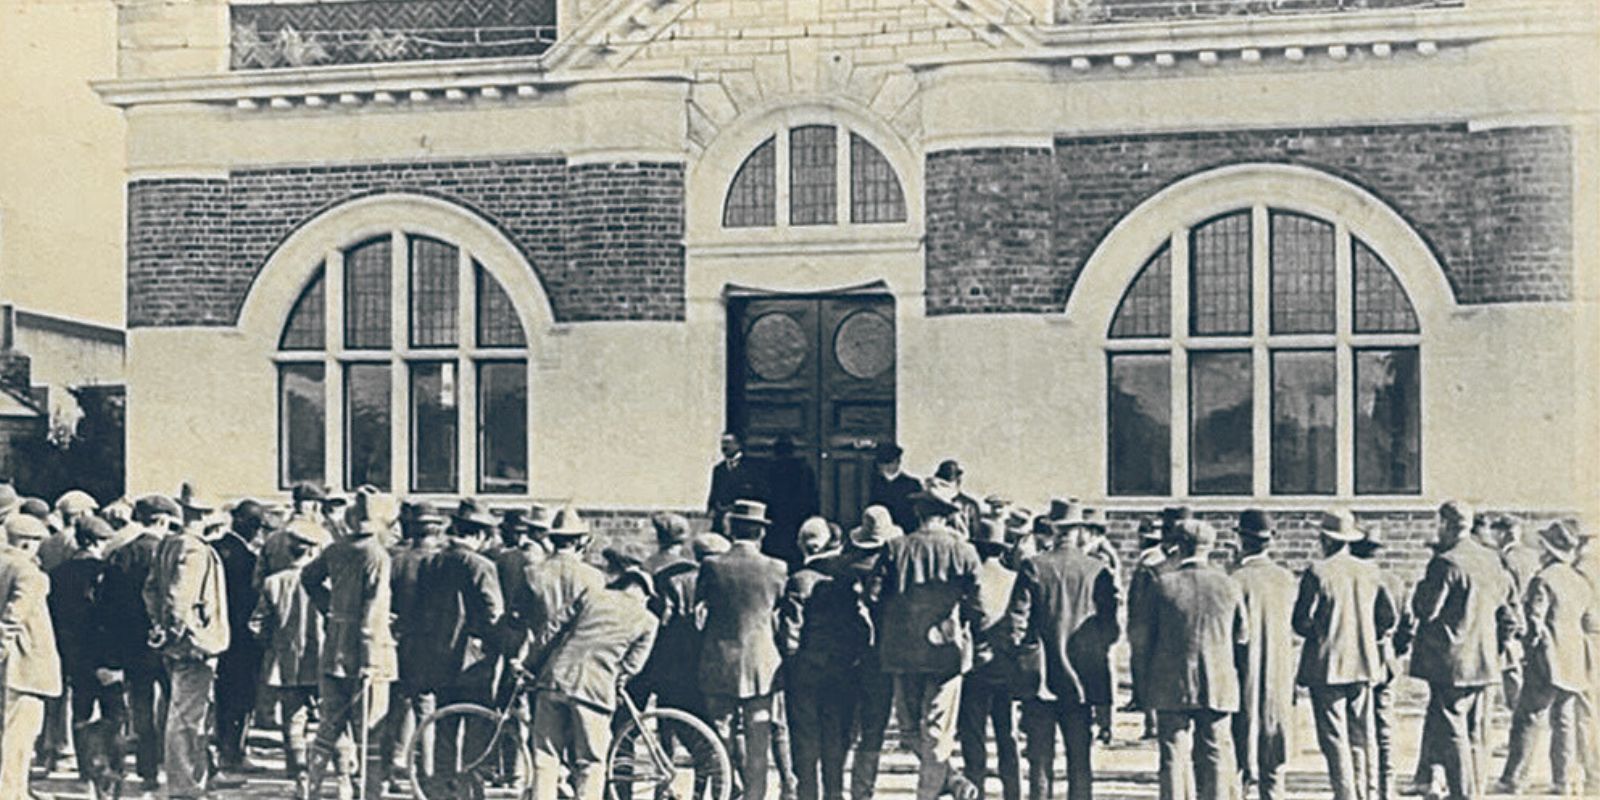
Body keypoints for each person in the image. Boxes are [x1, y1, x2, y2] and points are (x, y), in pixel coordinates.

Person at [871, 483, 982, 800]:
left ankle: (933, 789)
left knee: (909, 730)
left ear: (917, 513)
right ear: (947, 517)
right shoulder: (963, 551)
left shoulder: (895, 548)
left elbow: (874, 596)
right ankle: (951, 782)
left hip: (901, 651)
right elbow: (979, 606)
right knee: (936, 731)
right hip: (945, 651)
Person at [526, 557, 659, 800]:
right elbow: (633, 665)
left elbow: (552, 629)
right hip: (595, 691)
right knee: (591, 761)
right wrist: (618, 680)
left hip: (555, 678)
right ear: (645, 594)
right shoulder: (648, 620)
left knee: (546, 756)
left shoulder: (592, 596)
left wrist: (529, 665)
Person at [1008, 509, 1118, 800]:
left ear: (1054, 530)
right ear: (1080, 531)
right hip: (1083, 679)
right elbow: (1111, 629)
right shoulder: (1098, 570)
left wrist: (1024, 655)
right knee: (1080, 760)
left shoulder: (1034, 566)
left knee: (1040, 761)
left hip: (1041, 678)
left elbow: (1016, 623)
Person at [1409, 500, 1515, 800]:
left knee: (1452, 731)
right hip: (1483, 661)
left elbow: (1426, 610)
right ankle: (1476, 791)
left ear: (1444, 523)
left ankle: (1463, 794)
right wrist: (1496, 650)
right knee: (1477, 733)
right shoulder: (1492, 560)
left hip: (1450, 664)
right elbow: (1508, 614)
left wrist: (1420, 588)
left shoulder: (1445, 562)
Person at [1133, 519, 1245, 800]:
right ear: (1210, 547)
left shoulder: (1162, 586)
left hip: (1170, 681)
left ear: (1178, 547)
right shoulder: (1229, 585)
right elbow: (1243, 636)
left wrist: (1144, 685)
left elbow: (1142, 641)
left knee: (1173, 754)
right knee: (1216, 752)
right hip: (1218, 681)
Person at [298, 491, 399, 800]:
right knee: (370, 732)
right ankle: (369, 794)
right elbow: (372, 612)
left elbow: (308, 577)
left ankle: (310, 787)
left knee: (329, 726)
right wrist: (370, 659)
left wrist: (331, 610)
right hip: (368, 653)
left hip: (335, 647)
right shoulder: (377, 556)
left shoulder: (336, 550)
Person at [1292, 510, 1396, 800]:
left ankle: (1346, 794)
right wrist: (1365, 635)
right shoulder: (1371, 571)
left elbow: (1300, 621)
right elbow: (1388, 618)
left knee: (1334, 738)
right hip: (1363, 664)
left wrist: (1323, 632)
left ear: (1324, 539)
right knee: (1363, 735)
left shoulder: (1317, 571)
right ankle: (1368, 793)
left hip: (1326, 666)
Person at [1492, 521, 1597, 795]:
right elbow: (1587, 619)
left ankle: (1514, 779)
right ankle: (1563, 781)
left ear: (1549, 550)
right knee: (1564, 721)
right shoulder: (1579, 581)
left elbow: (1535, 624)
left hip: (1546, 658)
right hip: (1573, 658)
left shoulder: (1543, 579)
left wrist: (1528, 648)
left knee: (1527, 718)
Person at [697, 499, 789, 800]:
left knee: (719, 737)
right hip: (761, 663)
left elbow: (700, 612)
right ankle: (755, 796)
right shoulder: (777, 569)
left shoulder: (712, 566)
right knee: (758, 740)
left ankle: (724, 792)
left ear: (730, 527)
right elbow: (777, 612)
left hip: (719, 659)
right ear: (761, 533)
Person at [412, 499, 506, 781]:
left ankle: (442, 786)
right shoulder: (482, 565)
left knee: (445, 724)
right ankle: (469, 786)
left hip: (437, 656)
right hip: (473, 661)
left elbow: (420, 608)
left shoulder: (431, 561)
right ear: (479, 534)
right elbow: (493, 614)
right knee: (476, 725)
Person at [143, 509, 232, 799]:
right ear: (207, 514)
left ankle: (192, 781)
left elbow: (151, 589)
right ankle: (185, 788)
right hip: (195, 646)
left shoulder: (169, 542)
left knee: (180, 713)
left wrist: (159, 625)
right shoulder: (193, 548)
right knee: (186, 719)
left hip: (180, 643)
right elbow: (178, 597)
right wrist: (181, 631)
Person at [778, 516, 866, 800]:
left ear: (803, 546)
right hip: (842, 669)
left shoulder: (799, 580)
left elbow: (790, 633)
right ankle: (835, 793)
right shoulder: (847, 578)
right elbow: (859, 627)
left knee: (805, 739)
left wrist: (792, 664)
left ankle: (807, 794)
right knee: (836, 736)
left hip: (806, 670)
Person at [104, 494, 179, 791]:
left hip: (132, 645)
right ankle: (176, 765)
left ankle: (147, 771)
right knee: (176, 704)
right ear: (163, 521)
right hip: (165, 640)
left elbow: (108, 605)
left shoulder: (120, 554)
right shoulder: (168, 553)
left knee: (141, 708)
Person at [46, 516, 128, 789]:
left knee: (80, 712)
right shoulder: (109, 573)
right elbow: (112, 621)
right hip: (105, 657)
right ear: (97, 542)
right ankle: (113, 771)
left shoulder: (57, 574)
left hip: (72, 656)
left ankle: (85, 771)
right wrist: (112, 661)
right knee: (114, 715)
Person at [249, 518, 325, 788]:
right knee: (330, 721)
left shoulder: (273, 582)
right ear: (314, 551)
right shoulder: (327, 582)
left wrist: (272, 643)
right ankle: (332, 776)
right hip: (322, 660)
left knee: (293, 721)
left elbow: (257, 624)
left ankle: (298, 776)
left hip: (285, 661)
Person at [378, 502, 448, 792]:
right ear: (437, 529)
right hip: (432, 645)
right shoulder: (445, 562)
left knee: (394, 708)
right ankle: (425, 775)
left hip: (399, 640)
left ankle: (387, 773)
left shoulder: (395, 559)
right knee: (427, 710)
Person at [1228, 510, 1297, 800]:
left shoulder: (1235, 579)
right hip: (1279, 672)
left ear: (1241, 541)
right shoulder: (1286, 579)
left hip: (1243, 670)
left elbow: (1234, 634)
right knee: (1274, 748)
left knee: (1239, 747)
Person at [835, 506, 900, 800]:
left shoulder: (840, 568)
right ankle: (863, 792)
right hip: (881, 660)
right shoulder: (893, 574)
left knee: (842, 729)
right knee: (873, 730)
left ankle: (835, 788)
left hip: (844, 660)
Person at [0, 515, 63, 800]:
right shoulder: (29, 573)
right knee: (20, 736)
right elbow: (14, 619)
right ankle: (11, 792)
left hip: (9, 667)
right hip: (24, 665)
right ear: (27, 543)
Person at [959, 517, 1021, 800]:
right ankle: (1013, 791)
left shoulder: (972, 579)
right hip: (1007, 665)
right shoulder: (1014, 578)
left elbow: (966, 620)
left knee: (973, 734)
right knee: (1007, 732)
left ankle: (977, 790)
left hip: (976, 665)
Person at [1351, 525, 1409, 800]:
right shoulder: (1393, 580)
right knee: (1384, 728)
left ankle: (1364, 789)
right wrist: (1394, 652)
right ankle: (1387, 789)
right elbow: (1407, 626)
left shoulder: (1352, 578)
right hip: (1384, 661)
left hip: (1356, 662)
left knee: (1358, 730)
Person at [213, 499, 266, 774]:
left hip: (218, 635)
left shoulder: (214, 550)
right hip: (242, 639)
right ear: (253, 528)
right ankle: (233, 753)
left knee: (222, 695)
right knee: (241, 697)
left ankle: (225, 747)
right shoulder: (248, 560)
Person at [1127, 508, 1186, 741]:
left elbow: (1137, 599)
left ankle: (1157, 723)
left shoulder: (1155, 562)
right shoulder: (1152, 559)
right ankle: (1152, 723)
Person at [764, 436, 820, 569]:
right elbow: (812, 495)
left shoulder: (770, 469)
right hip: (798, 517)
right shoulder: (804, 469)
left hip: (775, 518)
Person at [707, 432, 765, 536]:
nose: (724, 447)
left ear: (738, 445)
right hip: (721, 517)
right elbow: (714, 491)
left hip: (743, 516)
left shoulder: (751, 466)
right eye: (722, 443)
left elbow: (758, 492)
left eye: (728, 443)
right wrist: (712, 508)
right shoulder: (719, 469)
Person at [867, 443, 921, 535]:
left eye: (888, 463)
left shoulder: (912, 484)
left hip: (905, 532)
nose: (883, 467)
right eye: (881, 463)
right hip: (879, 533)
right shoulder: (874, 482)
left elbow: (917, 513)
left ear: (897, 462)